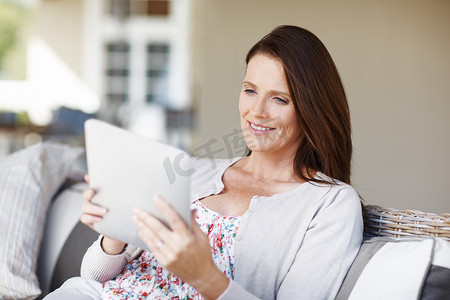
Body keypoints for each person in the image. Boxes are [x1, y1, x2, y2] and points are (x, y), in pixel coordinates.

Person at [45, 25, 363, 300]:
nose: (257, 111)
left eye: (279, 99)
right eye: (250, 90)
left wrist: (204, 276)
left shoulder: (331, 205)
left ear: (311, 108)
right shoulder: (193, 169)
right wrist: (114, 228)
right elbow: (93, 277)